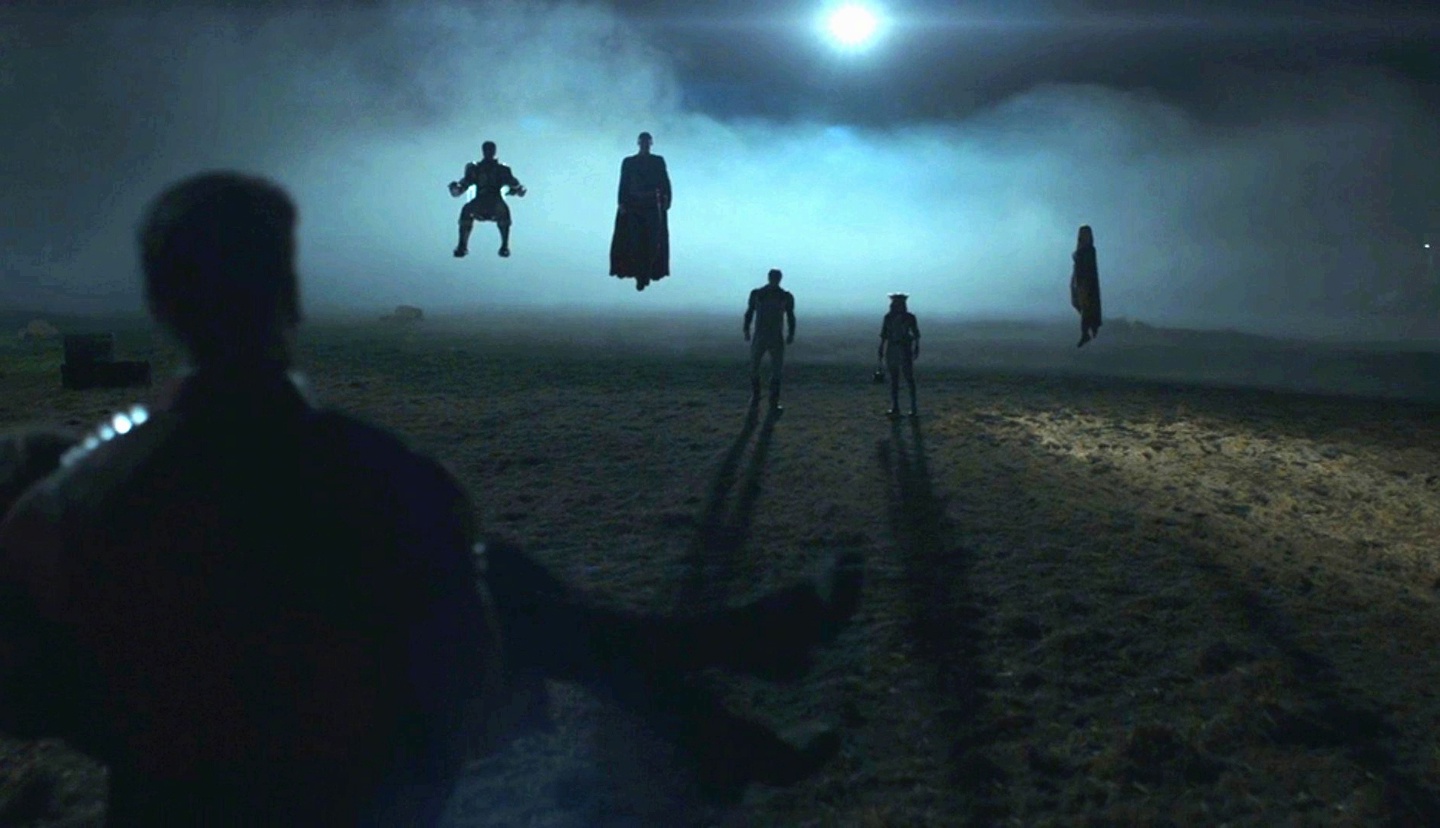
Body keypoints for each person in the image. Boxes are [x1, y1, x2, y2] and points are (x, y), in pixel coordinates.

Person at [0, 172, 864, 826]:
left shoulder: (79, 497)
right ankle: (710, 679)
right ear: (290, 297)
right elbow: (461, 683)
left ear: (161, 304)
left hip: (174, 798)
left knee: (495, 580)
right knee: (501, 581)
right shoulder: (383, 473)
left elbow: (39, 682)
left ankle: (714, 692)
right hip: (354, 793)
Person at [609, 131, 672, 291]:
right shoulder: (629, 162)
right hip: (634, 206)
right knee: (635, 241)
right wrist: (621, 203)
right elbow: (623, 183)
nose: (645, 145)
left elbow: (664, 182)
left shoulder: (657, 161)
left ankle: (646, 273)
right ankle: (640, 274)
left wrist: (667, 200)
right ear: (639, 143)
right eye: (643, 142)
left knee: (652, 242)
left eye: (647, 142)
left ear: (650, 143)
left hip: (652, 206)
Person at [449, 140, 526, 259]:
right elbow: (464, 185)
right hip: (480, 201)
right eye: (487, 150)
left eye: (491, 150)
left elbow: (514, 185)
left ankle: (504, 245)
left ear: (494, 151)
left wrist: (518, 189)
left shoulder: (502, 170)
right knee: (466, 210)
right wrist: (456, 189)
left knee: (504, 212)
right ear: (483, 151)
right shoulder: (475, 168)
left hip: (495, 201)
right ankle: (462, 245)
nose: (489, 152)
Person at [743, 268, 796, 412]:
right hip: (763, 335)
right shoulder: (759, 294)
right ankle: (757, 397)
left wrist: (791, 333)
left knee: (775, 369)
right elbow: (749, 312)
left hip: (772, 336)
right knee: (755, 367)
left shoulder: (782, 296)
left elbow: (790, 316)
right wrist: (746, 329)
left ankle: (771, 401)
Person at [878, 293, 921, 418]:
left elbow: (916, 334)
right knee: (894, 379)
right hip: (893, 348)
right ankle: (896, 407)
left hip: (903, 348)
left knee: (908, 378)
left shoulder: (909, 318)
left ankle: (912, 407)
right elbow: (884, 335)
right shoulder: (889, 317)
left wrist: (916, 347)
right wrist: (881, 348)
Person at [1070, 224, 1102, 347]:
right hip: (1080, 281)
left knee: (1087, 307)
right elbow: (1077, 267)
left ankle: (1086, 333)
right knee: (1080, 305)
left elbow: (1089, 268)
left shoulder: (1089, 250)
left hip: (1086, 282)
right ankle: (1089, 329)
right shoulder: (1082, 249)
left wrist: (1085, 283)